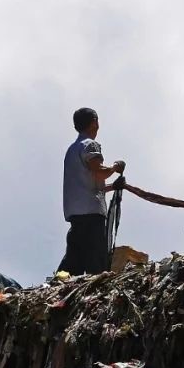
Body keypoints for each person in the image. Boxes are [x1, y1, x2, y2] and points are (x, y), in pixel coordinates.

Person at [58, 107, 126, 275]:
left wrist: (113, 187)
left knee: (74, 258)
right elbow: (98, 171)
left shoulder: (72, 149)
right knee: (96, 257)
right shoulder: (90, 144)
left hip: (76, 213)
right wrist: (115, 167)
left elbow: (92, 185)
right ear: (94, 122)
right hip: (91, 213)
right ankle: (96, 287)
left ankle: (59, 286)